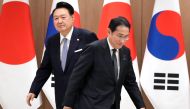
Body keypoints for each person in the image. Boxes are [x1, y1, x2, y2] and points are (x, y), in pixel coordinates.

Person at [26, 2, 97, 109]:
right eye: (56, 18)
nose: (59, 21)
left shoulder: (87, 37)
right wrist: (34, 90)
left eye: (63, 17)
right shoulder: (52, 42)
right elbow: (45, 69)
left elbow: (99, 65)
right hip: (61, 98)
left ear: (72, 18)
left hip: (84, 97)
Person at [63, 16, 145, 109]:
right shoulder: (94, 49)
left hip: (113, 105)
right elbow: (76, 78)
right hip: (91, 105)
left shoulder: (125, 52)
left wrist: (141, 106)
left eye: (126, 37)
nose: (122, 41)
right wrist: (68, 105)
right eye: (120, 36)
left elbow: (130, 82)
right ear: (109, 31)